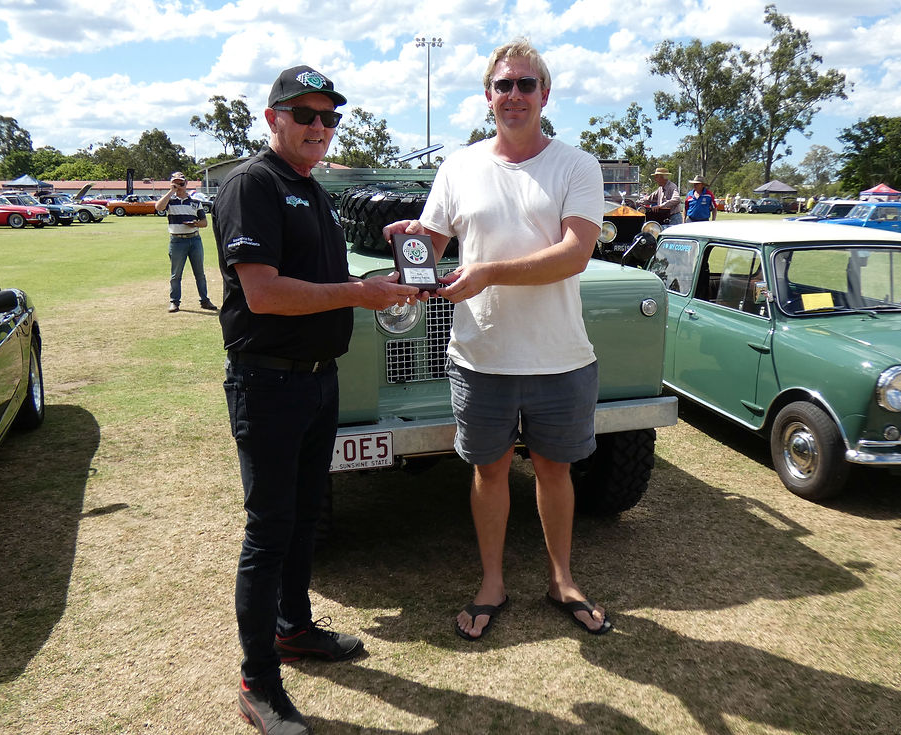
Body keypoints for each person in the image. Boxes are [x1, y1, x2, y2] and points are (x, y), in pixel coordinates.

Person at [211, 65, 420, 735]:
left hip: (316, 379)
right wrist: (358, 295)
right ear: (273, 118)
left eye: (330, 117)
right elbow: (265, 292)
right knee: (269, 529)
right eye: (305, 114)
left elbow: (326, 279)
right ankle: (258, 681)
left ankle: (294, 628)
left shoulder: (314, 190)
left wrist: (379, 279)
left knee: (303, 519)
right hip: (268, 381)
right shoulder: (253, 185)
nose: (320, 128)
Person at [384, 38, 612, 642]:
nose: (514, 95)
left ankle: (562, 579)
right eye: (503, 85)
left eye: (526, 85)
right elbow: (431, 246)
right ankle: (492, 583)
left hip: (559, 356)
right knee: (488, 473)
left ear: (545, 94)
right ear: (488, 96)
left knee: (553, 472)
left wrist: (485, 272)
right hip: (479, 355)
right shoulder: (458, 166)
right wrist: (410, 247)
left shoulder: (575, 165)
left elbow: (574, 255)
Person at [154, 172, 218, 313]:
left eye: (181, 183)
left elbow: (204, 222)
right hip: (177, 241)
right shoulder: (169, 201)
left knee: (199, 273)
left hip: (194, 239)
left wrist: (195, 223)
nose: (179, 186)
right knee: (176, 274)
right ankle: (174, 302)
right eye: (176, 183)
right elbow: (158, 207)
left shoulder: (195, 202)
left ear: (186, 184)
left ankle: (205, 300)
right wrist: (171, 191)